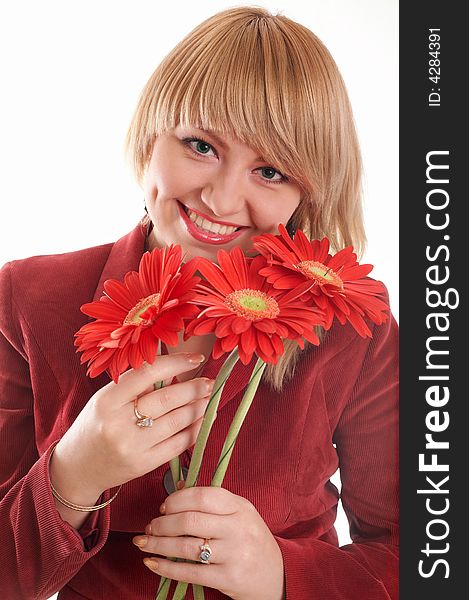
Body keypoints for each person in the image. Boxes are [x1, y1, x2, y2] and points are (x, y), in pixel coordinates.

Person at [0, 6, 398, 600]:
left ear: (307, 193)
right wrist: (72, 478)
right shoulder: (27, 300)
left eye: (269, 170)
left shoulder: (351, 326)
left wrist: (285, 576)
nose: (220, 197)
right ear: (151, 133)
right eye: (200, 145)